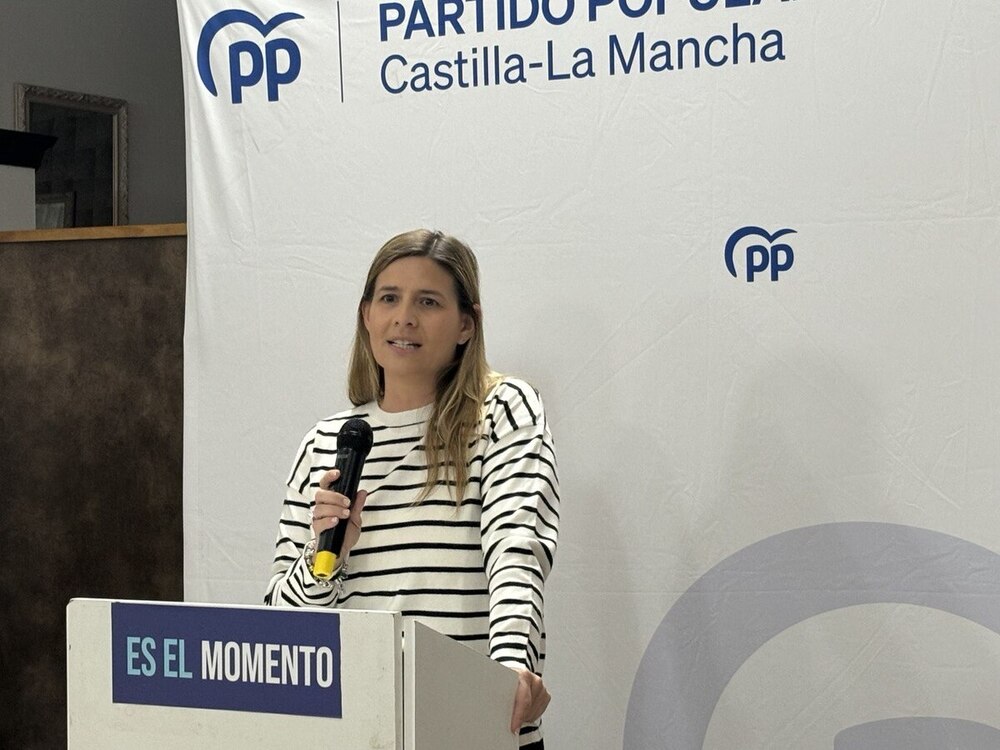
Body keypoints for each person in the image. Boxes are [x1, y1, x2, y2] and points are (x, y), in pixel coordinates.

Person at [264, 229, 559, 748]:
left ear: (466, 324)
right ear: (366, 316)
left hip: (472, 719)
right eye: (389, 298)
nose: (404, 317)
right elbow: (282, 626)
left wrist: (510, 668)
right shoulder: (326, 442)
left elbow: (518, 548)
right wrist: (324, 551)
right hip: (360, 727)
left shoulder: (502, 410)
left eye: (428, 301)